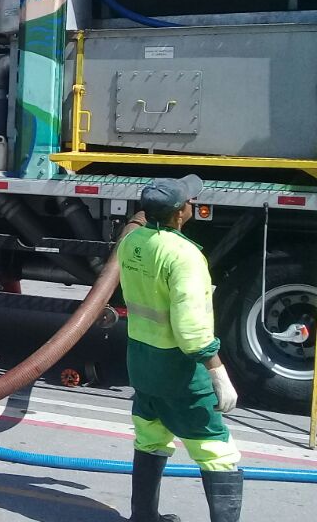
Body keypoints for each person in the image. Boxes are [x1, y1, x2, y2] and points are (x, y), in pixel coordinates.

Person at [119, 174, 242, 522]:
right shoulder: (184, 256)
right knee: (215, 449)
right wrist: (218, 373)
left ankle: (143, 516)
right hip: (178, 368)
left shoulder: (132, 243)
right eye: (188, 201)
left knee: (150, 435)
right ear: (178, 214)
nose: (192, 204)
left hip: (141, 361)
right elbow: (192, 329)